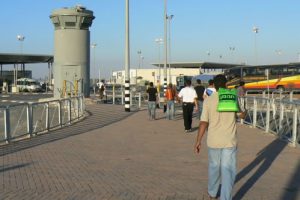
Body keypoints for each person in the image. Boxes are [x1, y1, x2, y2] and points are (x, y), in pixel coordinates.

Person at [194, 74, 246, 200]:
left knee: (214, 168)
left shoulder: (208, 100)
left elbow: (203, 123)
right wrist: (243, 110)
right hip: (229, 141)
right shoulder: (231, 98)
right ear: (226, 85)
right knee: (228, 172)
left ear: (214, 86)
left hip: (213, 141)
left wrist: (198, 141)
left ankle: (212, 193)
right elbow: (242, 116)